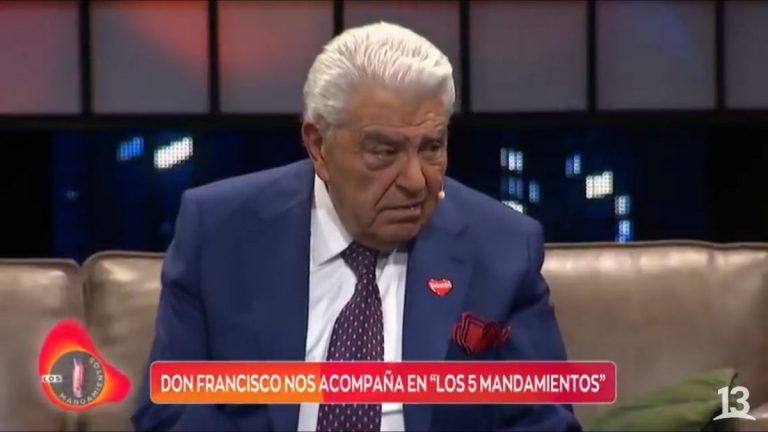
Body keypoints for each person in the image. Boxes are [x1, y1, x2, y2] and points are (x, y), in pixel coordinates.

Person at [132, 21, 579, 432]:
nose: (415, 181)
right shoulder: (220, 231)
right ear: (318, 146)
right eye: (384, 151)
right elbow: (170, 407)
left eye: (431, 147)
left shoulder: (502, 247)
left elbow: (543, 420)